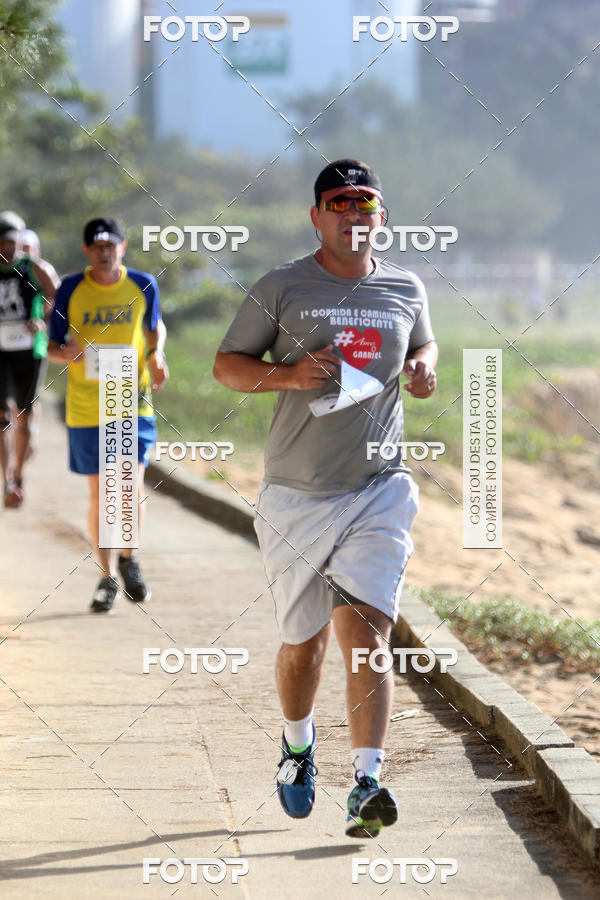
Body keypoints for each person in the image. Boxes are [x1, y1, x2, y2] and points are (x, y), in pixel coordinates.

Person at [214, 159, 438, 839]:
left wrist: (424, 367)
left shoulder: (405, 285)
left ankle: (367, 781)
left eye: (365, 204)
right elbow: (227, 366)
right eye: (339, 205)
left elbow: (421, 344)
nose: (353, 216)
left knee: (366, 634)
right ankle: (297, 744)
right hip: (295, 497)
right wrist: (288, 375)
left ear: (380, 217)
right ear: (317, 217)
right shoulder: (283, 286)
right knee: (302, 646)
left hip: (379, 490)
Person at [48, 217, 168, 613]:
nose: (104, 252)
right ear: (87, 251)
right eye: (97, 246)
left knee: (129, 484)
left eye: (110, 245)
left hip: (131, 396)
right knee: (101, 493)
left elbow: (155, 328)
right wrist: (63, 353)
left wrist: (156, 354)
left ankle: (129, 558)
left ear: (123, 246)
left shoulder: (143, 284)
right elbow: (50, 346)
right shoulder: (70, 288)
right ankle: (106, 578)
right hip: (86, 403)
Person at [0, 220, 57, 506]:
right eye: (2, 243)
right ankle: (7, 481)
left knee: (24, 412)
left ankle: (19, 475)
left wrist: (42, 319)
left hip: (29, 351)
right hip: (1, 353)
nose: (7, 249)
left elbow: (57, 295)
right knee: (3, 415)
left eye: (12, 243)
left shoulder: (33, 268)